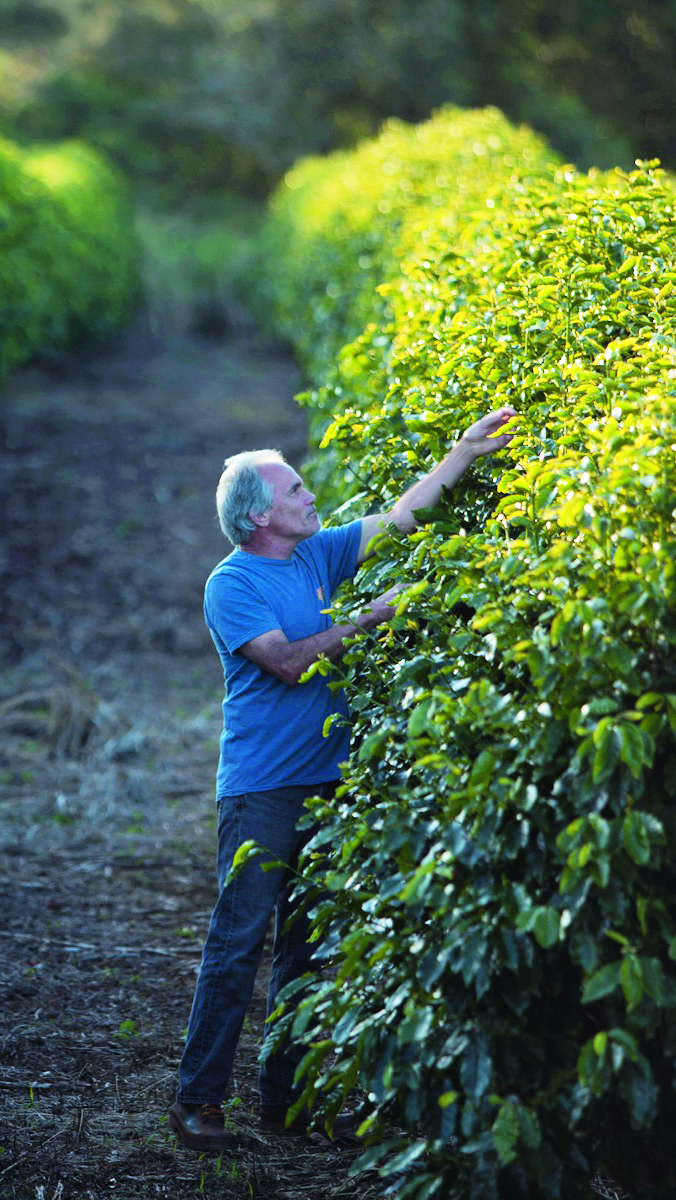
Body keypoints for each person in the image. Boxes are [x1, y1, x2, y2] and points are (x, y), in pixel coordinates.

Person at [167, 406, 517, 1153]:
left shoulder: (316, 556)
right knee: (237, 945)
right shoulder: (231, 585)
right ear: (261, 515)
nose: (310, 496)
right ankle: (197, 1104)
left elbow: (398, 518)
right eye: (295, 491)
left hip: (326, 781)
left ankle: (283, 1103)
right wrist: (367, 621)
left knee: (303, 949)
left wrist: (462, 454)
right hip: (261, 789)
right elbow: (289, 662)